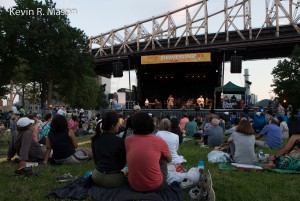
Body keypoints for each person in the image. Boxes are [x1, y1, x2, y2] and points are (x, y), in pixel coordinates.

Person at [125, 112, 171, 192]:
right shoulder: (159, 141)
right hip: (156, 186)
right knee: (163, 158)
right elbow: (169, 159)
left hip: (133, 185)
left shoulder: (127, 140)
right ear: (151, 124)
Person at [91, 111, 126, 188]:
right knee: (127, 171)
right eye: (118, 123)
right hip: (114, 180)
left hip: (96, 177)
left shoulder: (95, 139)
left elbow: (96, 161)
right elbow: (122, 163)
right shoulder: (119, 141)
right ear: (113, 126)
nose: (119, 124)